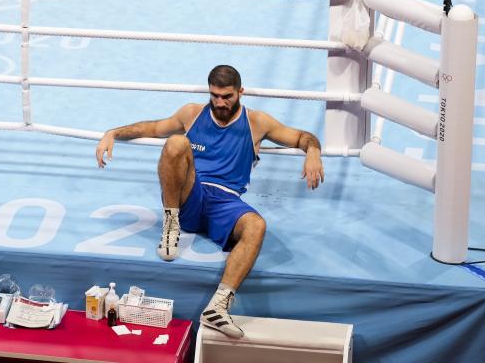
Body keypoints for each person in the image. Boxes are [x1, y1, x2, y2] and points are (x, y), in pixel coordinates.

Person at [95, 65, 324, 338]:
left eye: (226, 96)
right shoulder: (192, 114)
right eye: (214, 95)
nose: (219, 102)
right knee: (176, 143)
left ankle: (217, 307)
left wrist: (313, 151)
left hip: (226, 202)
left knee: (257, 226)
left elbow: (301, 137)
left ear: (240, 92)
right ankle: (171, 223)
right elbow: (154, 128)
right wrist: (113, 133)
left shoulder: (257, 122)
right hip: (191, 193)